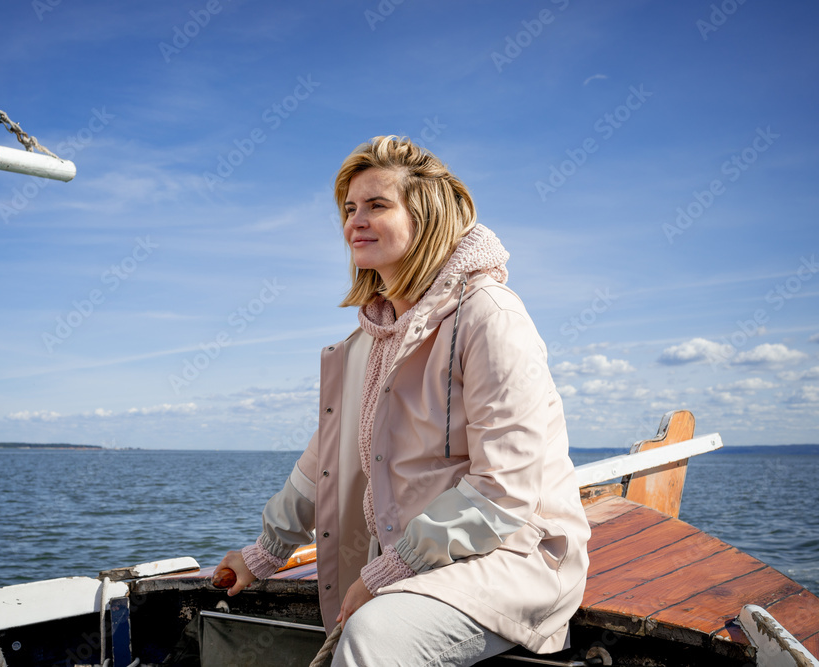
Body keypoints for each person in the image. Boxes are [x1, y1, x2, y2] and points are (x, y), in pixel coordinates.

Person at [217, 136, 590, 666]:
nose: (354, 222)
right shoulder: (369, 340)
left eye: (377, 205)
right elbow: (326, 457)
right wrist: (265, 552)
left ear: (425, 216)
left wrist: (391, 571)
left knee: (375, 636)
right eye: (348, 209)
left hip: (514, 557)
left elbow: (504, 490)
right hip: (414, 560)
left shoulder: (490, 317)